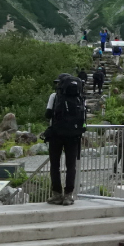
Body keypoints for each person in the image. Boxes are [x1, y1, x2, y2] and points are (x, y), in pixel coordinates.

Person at [44, 73, 87, 205]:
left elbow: (48, 114)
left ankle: (57, 194)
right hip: (74, 136)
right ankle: (68, 195)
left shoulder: (54, 96)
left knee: (55, 165)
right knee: (71, 166)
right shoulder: (80, 97)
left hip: (56, 135)